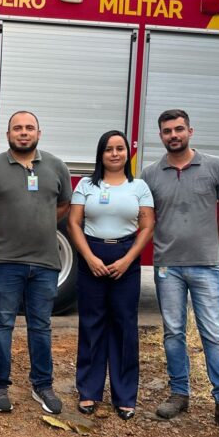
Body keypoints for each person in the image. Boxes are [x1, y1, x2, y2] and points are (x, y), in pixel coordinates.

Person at [141, 109, 219, 437]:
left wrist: (211, 248)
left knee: (213, 334)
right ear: (160, 136)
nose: (173, 135)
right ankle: (179, 394)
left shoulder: (215, 166)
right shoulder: (150, 174)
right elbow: (145, 218)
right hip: (167, 267)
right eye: (167, 131)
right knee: (173, 333)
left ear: (190, 131)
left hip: (205, 266)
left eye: (179, 129)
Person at [0, 111, 71, 415]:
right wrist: (2, 227)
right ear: (8, 135)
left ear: (38, 133)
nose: (24, 132)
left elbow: (64, 205)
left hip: (45, 262)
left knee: (41, 326)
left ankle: (42, 385)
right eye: (17, 128)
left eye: (30, 128)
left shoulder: (56, 167)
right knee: (2, 323)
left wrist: (41, 223)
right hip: (4, 261)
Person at [67, 130, 154, 421]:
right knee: (91, 324)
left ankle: (125, 396)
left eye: (120, 148)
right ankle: (88, 391)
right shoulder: (86, 185)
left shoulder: (139, 187)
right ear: (100, 154)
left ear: (127, 153)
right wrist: (89, 258)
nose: (114, 154)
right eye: (108, 149)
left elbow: (147, 226)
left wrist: (128, 260)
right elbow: (74, 223)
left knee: (124, 325)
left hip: (125, 257)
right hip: (91, 256)